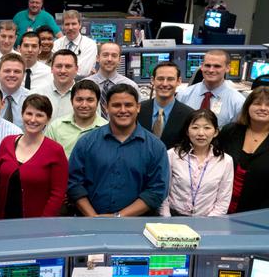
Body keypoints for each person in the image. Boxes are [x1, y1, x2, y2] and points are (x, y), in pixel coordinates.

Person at [67, 84, 169, 217]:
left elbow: (156, 191)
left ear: (138, 107)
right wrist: (93, 218)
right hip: (89, 223)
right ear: (106, 107)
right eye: (116, 105)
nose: (123, 110)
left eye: (128, 105)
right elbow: (74, 184)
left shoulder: (155, 147)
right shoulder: (86, 142)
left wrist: (118, 217)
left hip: (138, 227)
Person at [0, 94, 68, 219]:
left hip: (37, 226)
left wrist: (42, 224)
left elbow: (57, 194)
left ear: (48, 119)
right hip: (2, 222)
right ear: (22, 115)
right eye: (29, 113)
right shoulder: (7, 143)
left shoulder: (55, 151)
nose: (33, 120)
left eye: (39, 115)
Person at [159, 109, 234, 217]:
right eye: (195, 128)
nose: (201, 133)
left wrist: (208, 223)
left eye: (207, 128)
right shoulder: (172, 155)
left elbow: (223, 199)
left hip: (208, 221)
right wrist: (167, 218)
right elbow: (163, 192)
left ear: (216, 132)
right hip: (174, 217)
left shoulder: (225, 161)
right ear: (187, 131)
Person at [176, 48, 244, 128]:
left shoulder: (238, 102)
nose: (211, 70)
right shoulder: (183, 95)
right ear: (202, 66)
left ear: (227, 68)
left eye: (217, 66)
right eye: (207, 65)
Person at [139, 61, 197, 149]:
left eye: (170, 79)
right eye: (160, 79)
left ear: (179, 81)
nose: (165, 84)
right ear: (152, 80)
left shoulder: (189, 115)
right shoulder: (138, 110)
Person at [49, 79, 108, 157]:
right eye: (79, 100)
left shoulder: (107, 129)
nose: (84, 105)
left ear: (97, 103)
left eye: (90, 100)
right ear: (71, 101)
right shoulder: (55, 127)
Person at [88, 42, 138, 106]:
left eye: (114, 56)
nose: (109, 59)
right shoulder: (84, 85)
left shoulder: (131, 86)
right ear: (97, 58)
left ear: (119, 60)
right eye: (105, 55)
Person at [50, 8, 97, 76]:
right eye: (67, 24)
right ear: (62, 26)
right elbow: (53, 69)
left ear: (80, 25)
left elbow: (84, 71)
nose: (70, 28)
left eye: (74, 24)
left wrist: (61, 72)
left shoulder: (90, 44)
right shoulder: (56, 44)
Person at [35, 48, 78, 120]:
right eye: (59, 66)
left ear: (76, 69)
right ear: (51, 69)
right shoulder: (37, 94)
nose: (63, 71)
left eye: (68, 66)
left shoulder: (86, 97)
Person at [0, 54, 31, 123]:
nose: (12, 75)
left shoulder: (32, 100)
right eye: (7, 71)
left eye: (17, 71)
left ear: (23, 75)